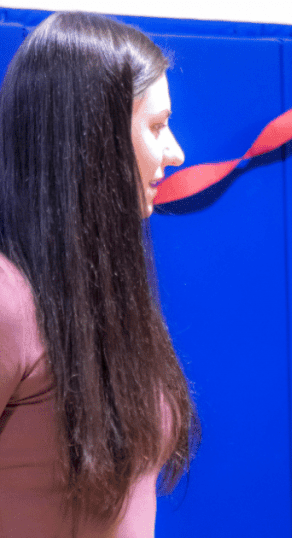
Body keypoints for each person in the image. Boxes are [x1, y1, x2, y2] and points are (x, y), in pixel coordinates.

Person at [0, 11, 195, 537]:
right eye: (157, 127)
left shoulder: (101, 293)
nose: (175, 152)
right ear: (92, 136)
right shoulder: (8, 299)